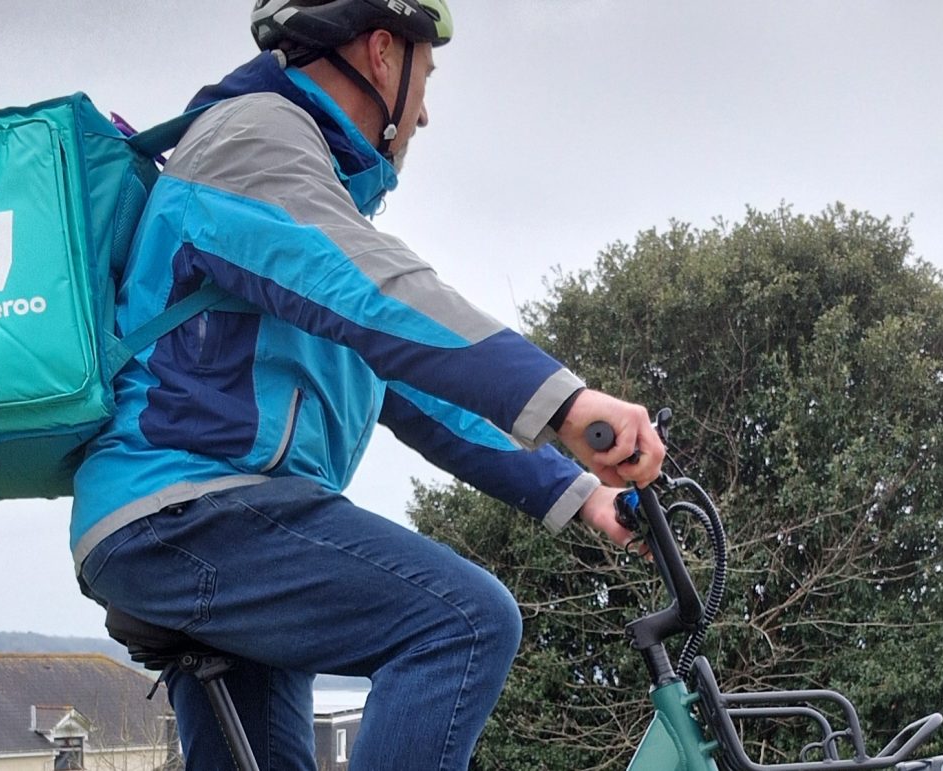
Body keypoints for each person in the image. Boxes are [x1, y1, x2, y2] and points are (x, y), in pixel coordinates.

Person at [72, 1, 665, 769]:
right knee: (464, 621)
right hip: (188, 513)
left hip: (214, 522)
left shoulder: (299, 186)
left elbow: (412, 380)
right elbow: (376, 293)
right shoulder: (251, 141)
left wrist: (579, 490)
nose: (424, 116)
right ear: (384, 53)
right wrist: (567, 402)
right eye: (429, 73)